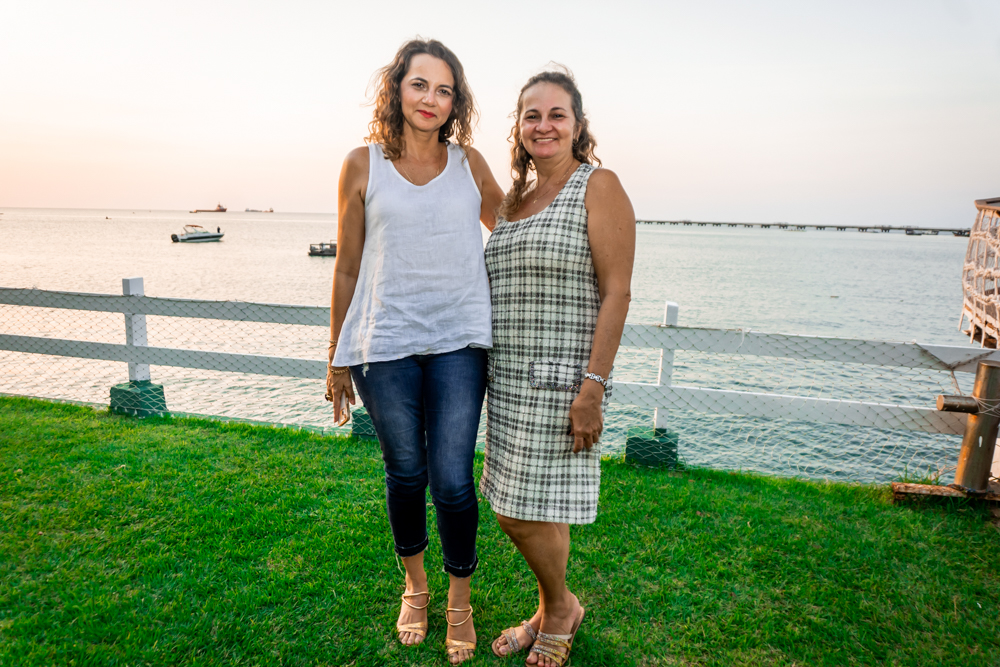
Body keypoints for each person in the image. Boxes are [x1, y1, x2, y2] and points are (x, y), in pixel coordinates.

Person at [325, 38, 503, 664]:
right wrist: (337, 354)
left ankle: (459, 599)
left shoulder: (470, 164)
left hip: (460, 339)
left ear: (457, 102)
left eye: (445, 89)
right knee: (405, 472)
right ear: (397, 88)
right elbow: (347, 267)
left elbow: (512, 233)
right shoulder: (360, 163)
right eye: (420, 84)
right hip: (385, 343)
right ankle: (415, 588)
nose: (431, 98)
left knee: (453, 480)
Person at [481, 68, 635, 667]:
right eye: (531, 115)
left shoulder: (598, 186)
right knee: (536, 506)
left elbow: (617, 291)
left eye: (557, 115)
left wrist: (592, 387)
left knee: (514, 511)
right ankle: (551, 610)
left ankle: (561, 608)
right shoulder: (513, 201)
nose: (543, 125)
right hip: (507, 380)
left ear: (577, 125)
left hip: (563, 381)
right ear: (518, 128)